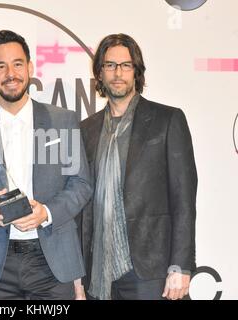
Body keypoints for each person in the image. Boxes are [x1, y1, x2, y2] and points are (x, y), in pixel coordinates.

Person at [0, 30, 92, 300]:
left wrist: (47, 212)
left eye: (17, 63)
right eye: (1, 66)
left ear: (30, 68)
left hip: (52, 262)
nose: (11, 73)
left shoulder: (62, 120)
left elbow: (81, 184)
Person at [77, 33, 197, 300]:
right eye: (109, 65)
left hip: (150, 271)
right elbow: (81, 207)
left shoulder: (167, 121)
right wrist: (77, 277)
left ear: (136, 71)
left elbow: (184, 200)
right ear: (99, 72)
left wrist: (181, 265)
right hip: (98, 272)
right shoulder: (86, 130)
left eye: (126, 65)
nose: (117, 73)